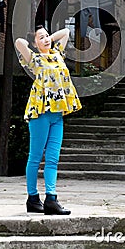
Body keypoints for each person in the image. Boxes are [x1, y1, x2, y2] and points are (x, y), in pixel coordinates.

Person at [15, 26, 82, 215]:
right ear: (36, 43)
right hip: (40, 113)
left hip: (57, 114)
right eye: (41, 37)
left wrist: (47, 38)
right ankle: (32, 198)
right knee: (35, 157)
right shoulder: (34, 60)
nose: (46, 39)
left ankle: (51, 199)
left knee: (53, 158)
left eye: (46, 36)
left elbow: (66, 33)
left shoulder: (57, 54)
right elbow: (19, 43)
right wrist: (32, 43)